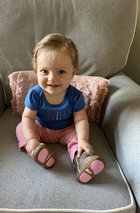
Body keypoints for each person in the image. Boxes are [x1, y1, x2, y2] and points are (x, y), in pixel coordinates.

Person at [16, 33, 105, 183]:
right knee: (21, 127)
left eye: (61, 72)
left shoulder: (75, 96)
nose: (52, 78)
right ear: (36, 71)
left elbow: (81, 119)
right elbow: (28, 117)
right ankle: (38, 150)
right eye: (44, 71)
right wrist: (31, 138)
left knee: (76, 139)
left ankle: (82, 160)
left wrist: (83, 139)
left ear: (74, 72)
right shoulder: (34, 94)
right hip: (41, 127)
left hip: (66, 130)